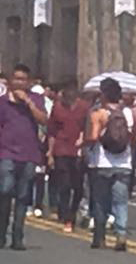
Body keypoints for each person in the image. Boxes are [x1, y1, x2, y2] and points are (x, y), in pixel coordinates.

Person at [0, 64, 48, 251]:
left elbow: (43, 120)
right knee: (5, 190)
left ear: (28, 82)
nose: (19, 82)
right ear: (11, 81)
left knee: (23, 196)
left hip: (29, 154)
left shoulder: (36, 99)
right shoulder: (1, 101)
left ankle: (17, 235)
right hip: (7, 153)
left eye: (23, 79)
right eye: (16, 78)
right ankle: (1, 229)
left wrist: (28, 102)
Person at [87, 77, 133, 251]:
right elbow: (133, 137)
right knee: (121, 202)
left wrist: (84, 145)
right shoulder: (127, 113)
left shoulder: (99, 113)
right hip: (124, 162)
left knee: (101, 201)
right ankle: (121, 235)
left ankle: (100, 236)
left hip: (103, 162)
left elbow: (93, 137)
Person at [47, 79, 88, 233]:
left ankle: (73, 212)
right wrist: (50, 152)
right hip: (61, 149)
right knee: (64, 183)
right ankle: (65, 214)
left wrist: (83, 139)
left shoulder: (84, 107)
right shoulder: (57, 107)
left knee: (78, 186)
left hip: (77, 150)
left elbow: (88, 126)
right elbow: (51, 131)